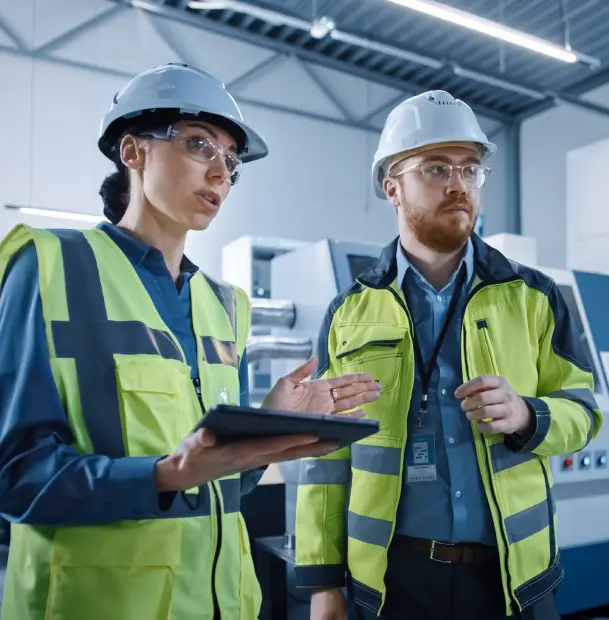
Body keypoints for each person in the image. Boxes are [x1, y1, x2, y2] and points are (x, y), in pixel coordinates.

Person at [0, 63, 381, 620]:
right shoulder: (51, 268)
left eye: (231, 161)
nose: (221, 173)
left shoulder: (225, 305)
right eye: (199, 145)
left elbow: (217, 479)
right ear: (132, 151)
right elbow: (15, 477)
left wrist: (269, 427)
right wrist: (162, 476)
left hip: (225, 605)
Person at [294, 90, 602, 620]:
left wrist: (531, 415)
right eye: (437, 168)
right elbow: (326, 455)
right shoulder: (348, 313)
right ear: (392, 187)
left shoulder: (534, 297)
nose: (459, 184)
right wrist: (323, 584)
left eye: (471, 168)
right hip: (393, 583)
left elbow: (586, 408)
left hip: (514, 582)